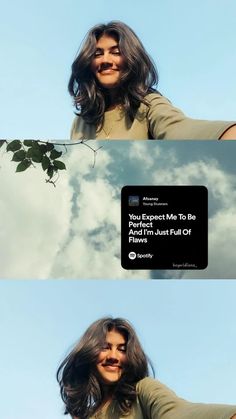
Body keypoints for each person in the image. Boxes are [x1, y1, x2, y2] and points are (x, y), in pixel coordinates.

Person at [69, 21, 236, 141]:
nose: (105, 60)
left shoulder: (147, 104)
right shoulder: (81, 122)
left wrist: (226, 133)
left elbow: (179, 130)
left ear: (132, 59)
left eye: (116, 52)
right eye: (98, 54)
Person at [57, 317, 236, 418]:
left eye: (122, 349)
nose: (113, 356)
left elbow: (176, 412)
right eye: (105, 347)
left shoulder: (142, 390)